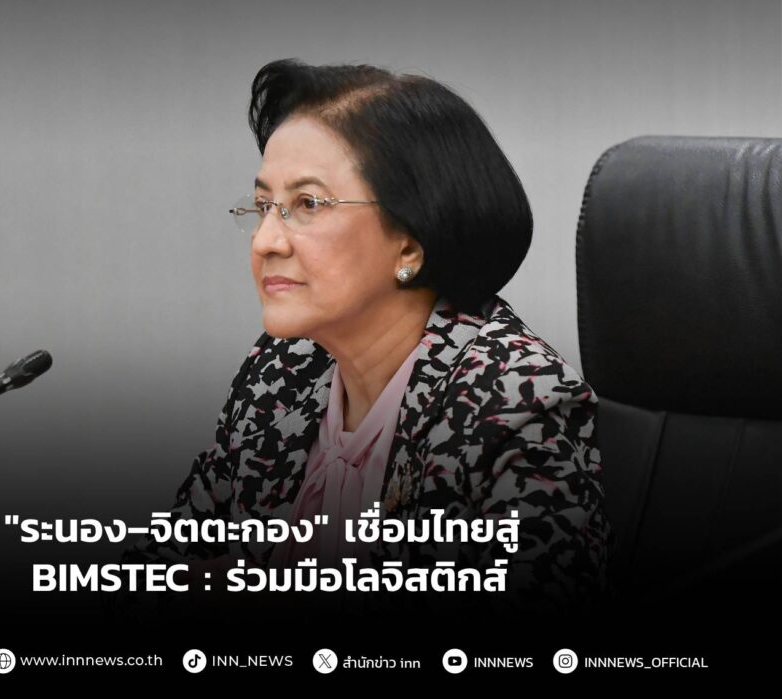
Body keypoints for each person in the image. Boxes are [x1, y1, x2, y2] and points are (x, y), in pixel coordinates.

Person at [120, 58, 613, 622]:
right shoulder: (282, 373)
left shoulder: (515, 399)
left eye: (307, 205)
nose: (264, 241)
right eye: (263, 207)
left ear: (409, 244)